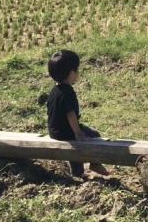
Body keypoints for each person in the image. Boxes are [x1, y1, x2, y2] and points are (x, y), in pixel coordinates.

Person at [46, 49, 109, 178]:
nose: (78, 73)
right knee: (93, 135)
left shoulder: (54, 91)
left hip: (54, 131)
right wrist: (78, 132)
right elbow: (71, 115)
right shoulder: (68, 93)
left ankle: (77, 173)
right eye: (77, 70)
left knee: (74, 145)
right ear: (71, 73)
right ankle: (94, 164)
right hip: (66, 132)